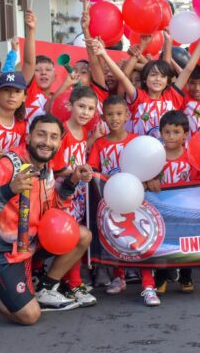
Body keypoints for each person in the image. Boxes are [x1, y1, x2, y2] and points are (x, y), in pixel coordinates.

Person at [0, 114, 92, 324]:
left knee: (82, 235)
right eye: (41, 135)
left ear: (59, 142)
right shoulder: (7, 166)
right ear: (29, 137)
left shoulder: (45, 167)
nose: (47, 142)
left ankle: (46, 288)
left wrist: (72, 180)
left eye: (53, 137)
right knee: (30, 316)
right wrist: (8, 190)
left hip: (27, 245)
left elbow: (55, 209)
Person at [44, 86, 99, 308]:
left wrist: (92, 141)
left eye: (90, 109)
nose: (85, 112)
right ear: (70, 106)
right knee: (71, 237)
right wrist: (76, 171)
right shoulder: (63, 131)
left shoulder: (84, 132)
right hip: (62, 192)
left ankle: (69, 282)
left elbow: (79, 151)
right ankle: (72, 283)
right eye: (81, 106)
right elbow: (56, 167)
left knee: (75, 236)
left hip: (77, 193)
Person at [147, 110, 200, 301]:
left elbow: (197, 184)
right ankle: (161, 278)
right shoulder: (155, 158)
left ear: (185, 134)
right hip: (160, 210)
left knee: (185, 243)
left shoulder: (191, 158)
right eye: (167, 132)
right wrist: (150, 181)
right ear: (160, 133)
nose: (171, 136)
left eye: (176, 132)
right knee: (163, 244)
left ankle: (186, 277)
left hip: (185, 210)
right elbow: (146, 178)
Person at [87, 95, 139, 295]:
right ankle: (119, 276)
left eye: (119, 114)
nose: (115, 118)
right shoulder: (100, 144)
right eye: (109, 114)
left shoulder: (136, 141)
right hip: (110, 198)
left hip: (134, 197)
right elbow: (93, 168)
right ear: (103, 117)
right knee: (116, 236)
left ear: (127, 115)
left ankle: (140, 271)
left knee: (134, 235)